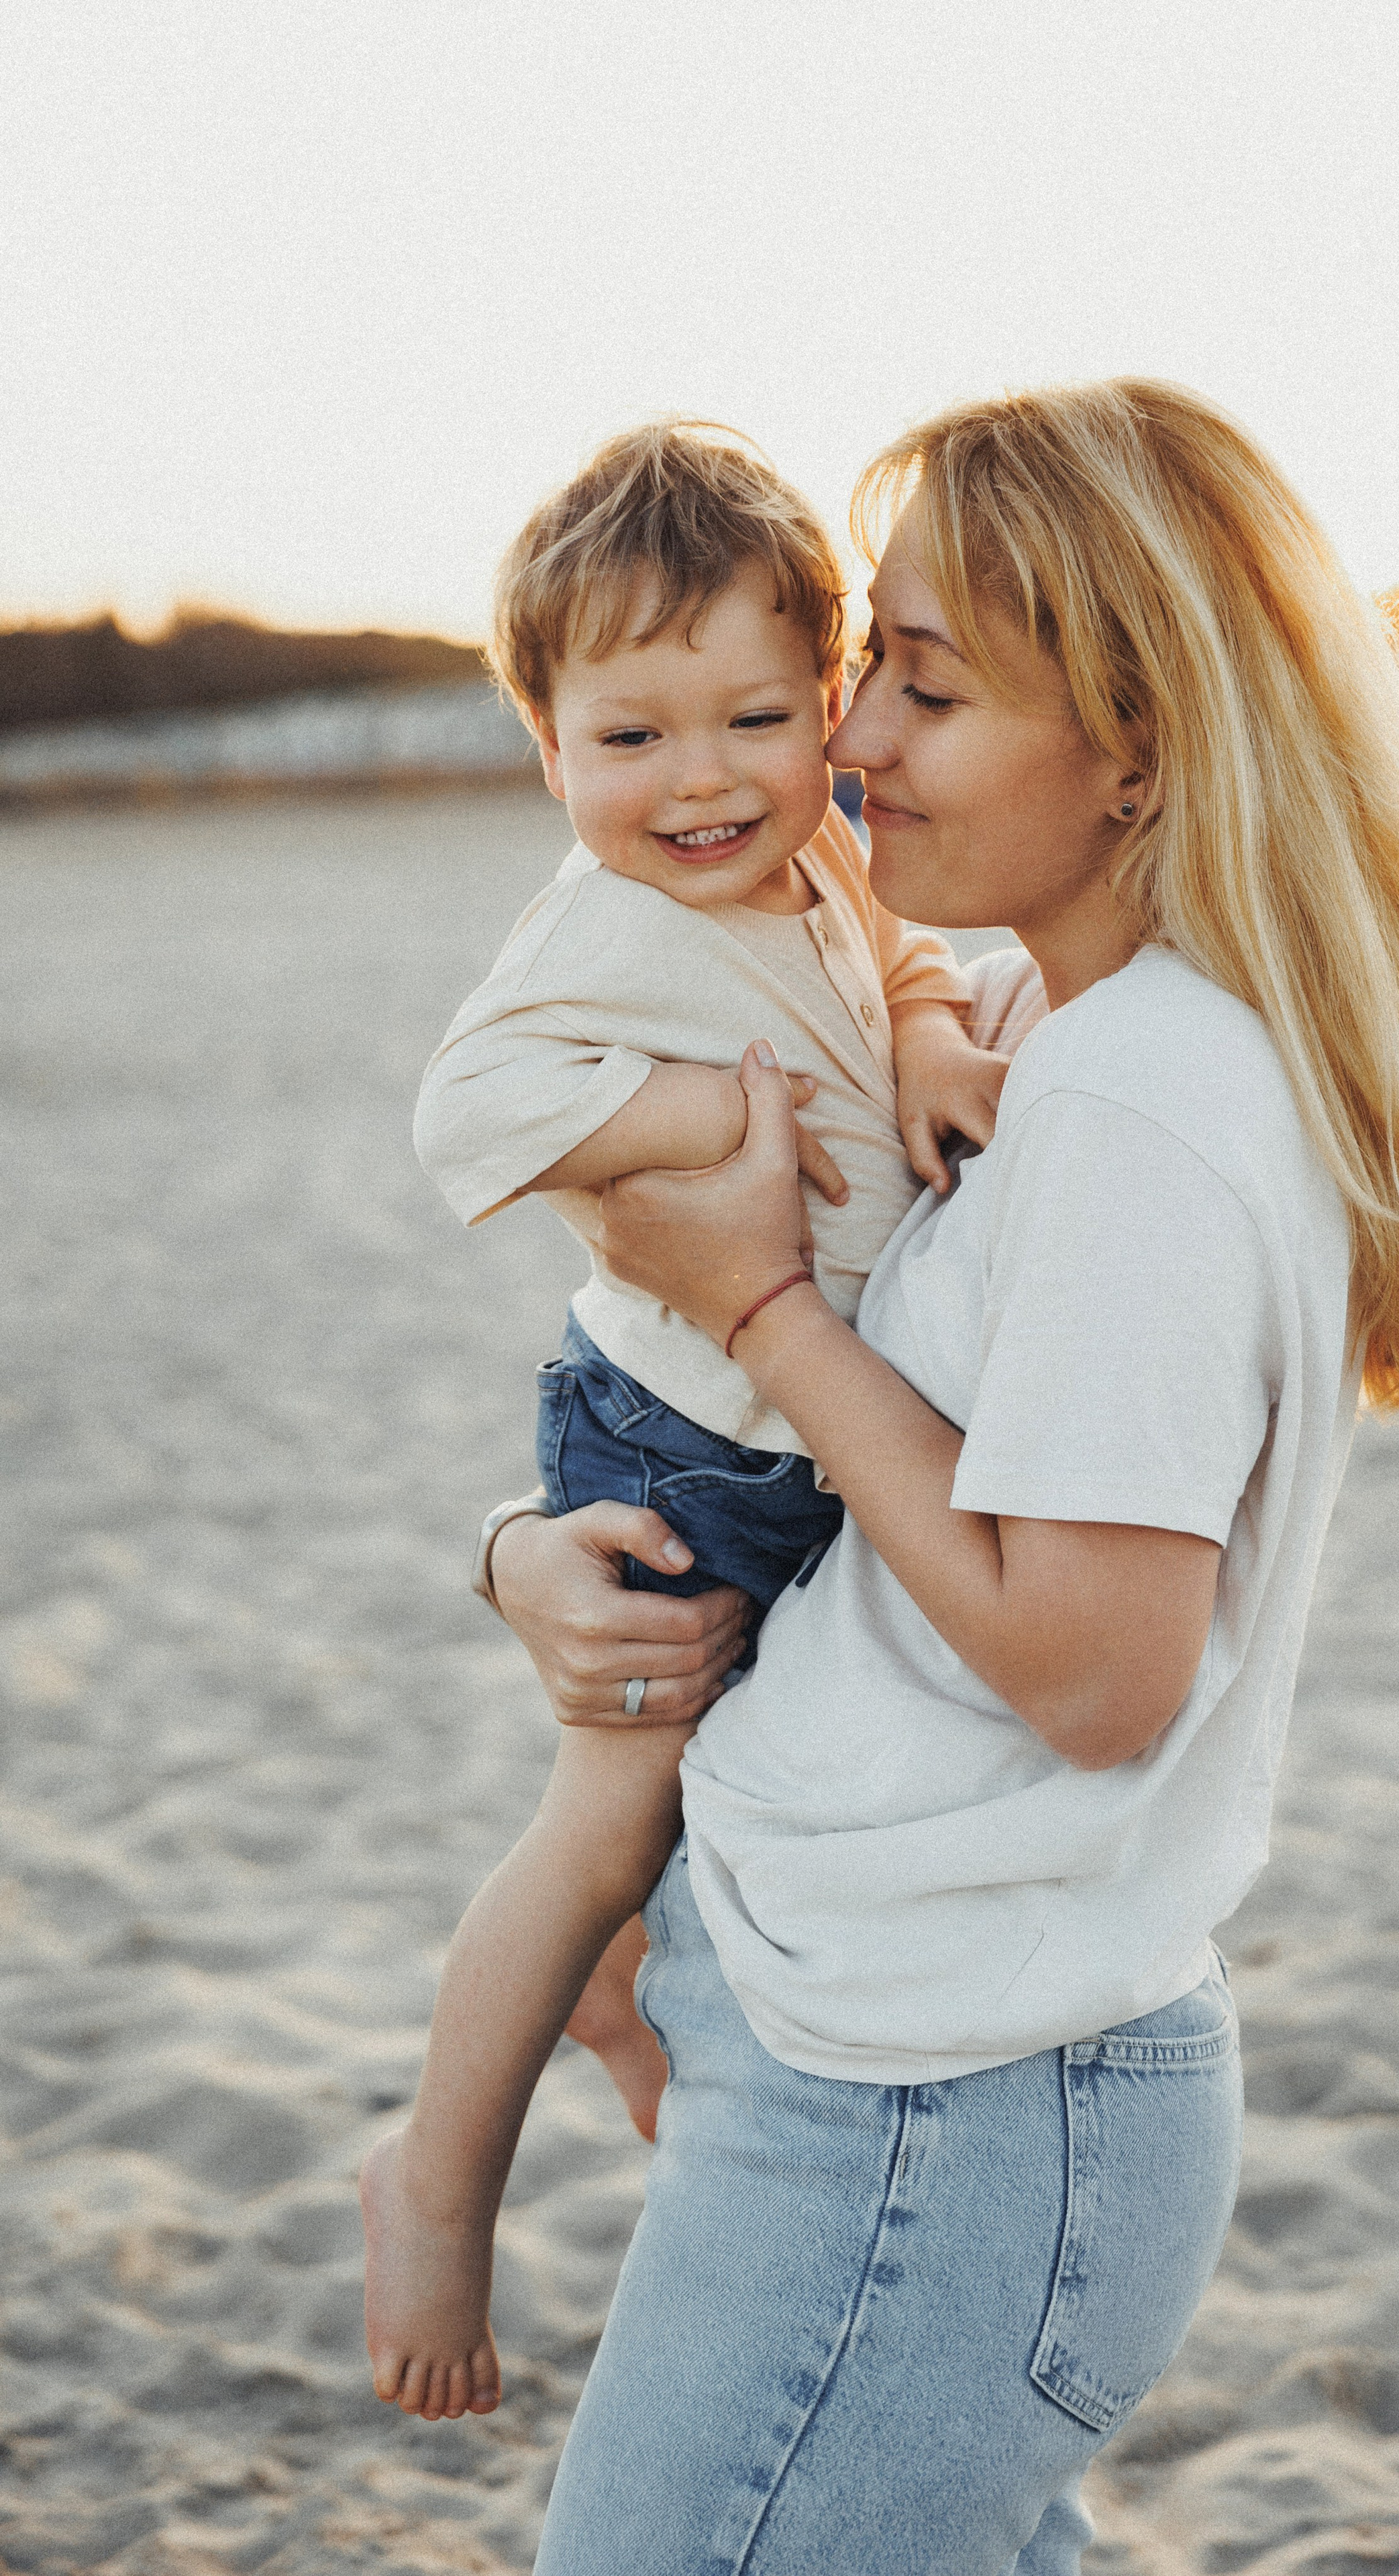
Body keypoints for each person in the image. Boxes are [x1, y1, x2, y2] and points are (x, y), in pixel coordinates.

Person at [486, 378, 1399, 2575]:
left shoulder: (1150, 1107)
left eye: (929, 685)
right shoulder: (1045, 1023)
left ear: (1146, 746)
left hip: (943, 2111)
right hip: (904, 2061)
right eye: (874, 660)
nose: (851, 738)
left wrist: (772, 1301)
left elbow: (1092, 1668)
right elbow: (804, 1449)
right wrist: (524, 1550)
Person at [360, 423, 1009, 2424]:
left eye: (753, 716)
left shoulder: (817, 856)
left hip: (789, 1432)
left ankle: (631, 2005)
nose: (705, 781)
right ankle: (435, 2188)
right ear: (543, 740)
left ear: (829, 704)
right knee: (602, 1815)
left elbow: (893, 952)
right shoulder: (592, 934)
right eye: (630, 738)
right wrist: (711, 1128)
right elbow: (459, 1116)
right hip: (675, 1449)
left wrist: (909, 1035)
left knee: (700, 1828)